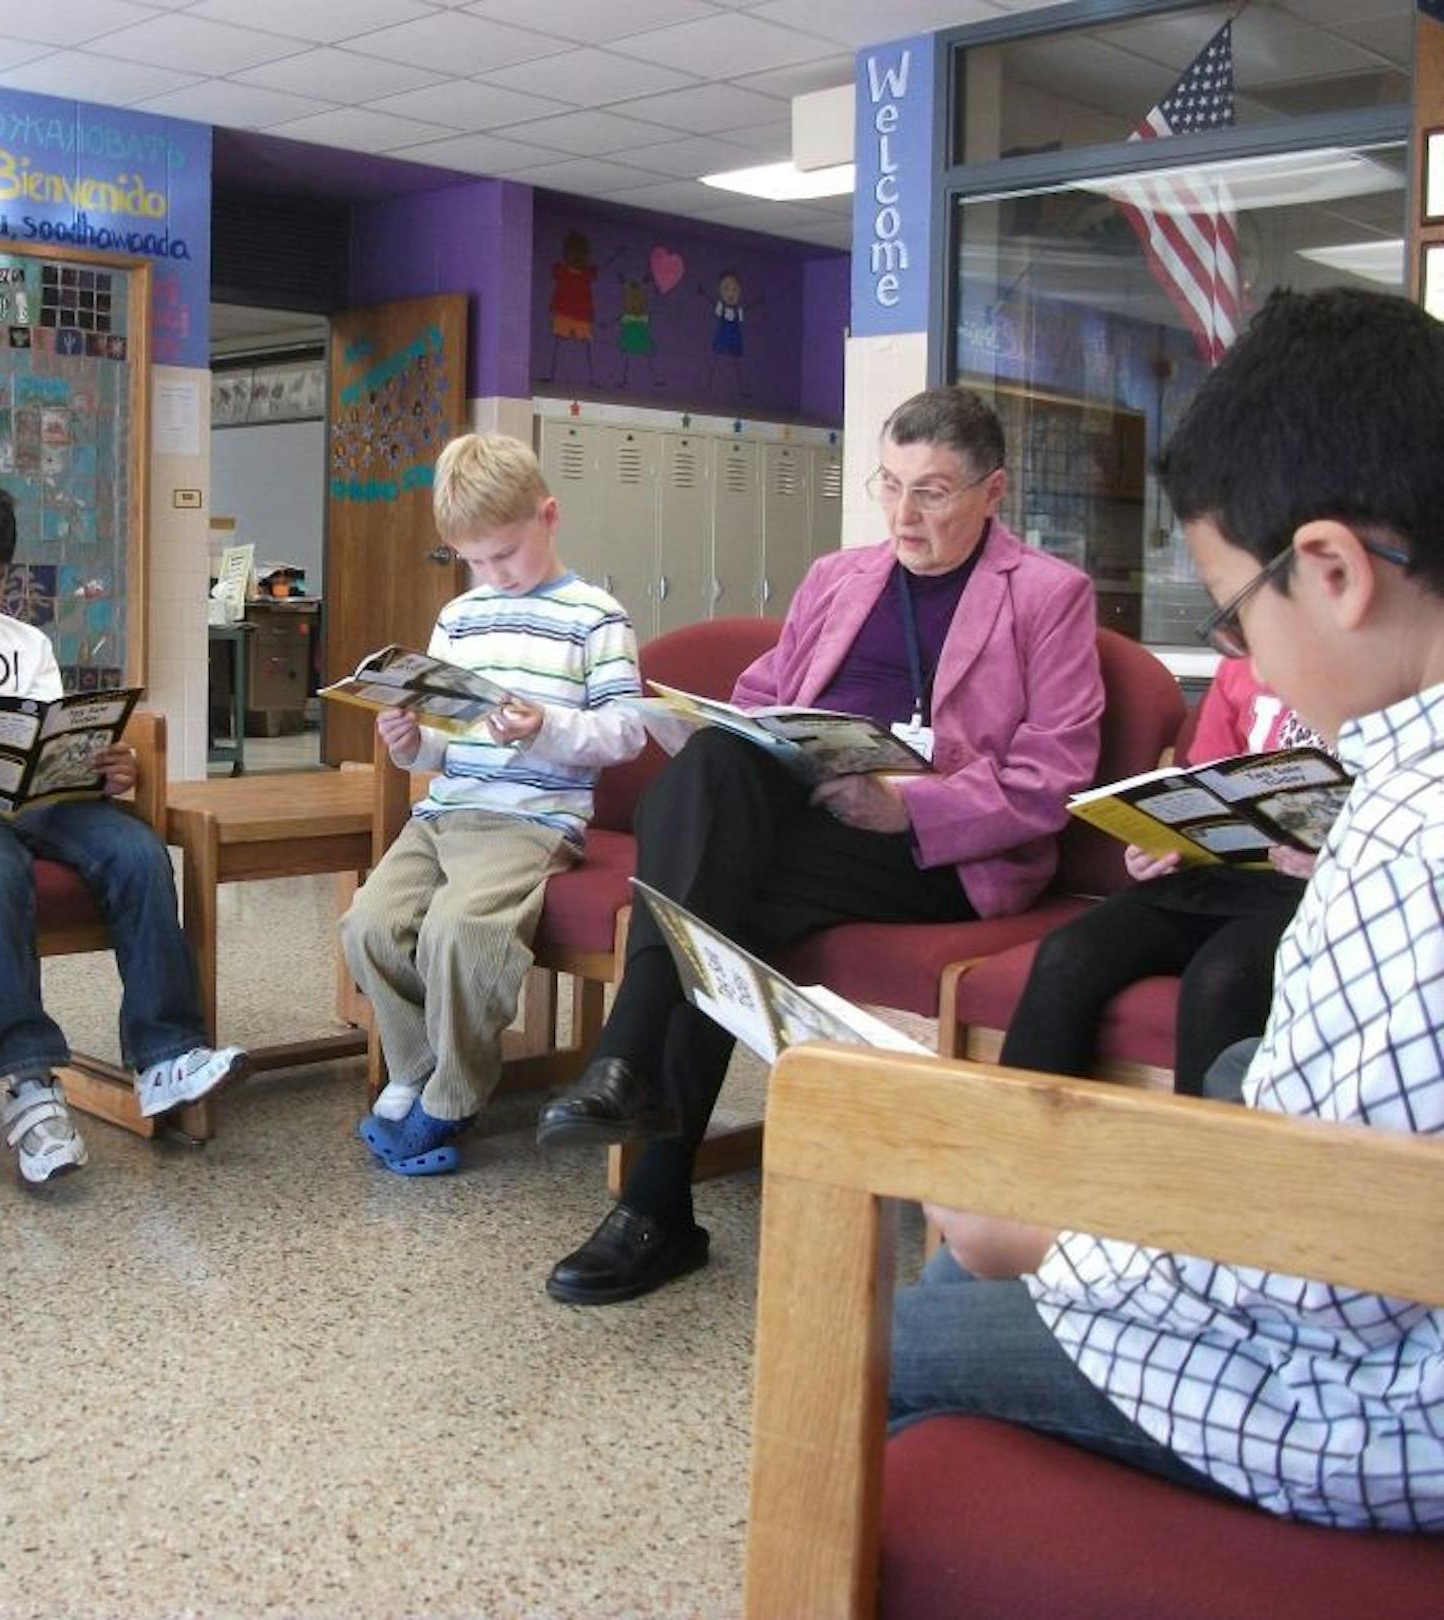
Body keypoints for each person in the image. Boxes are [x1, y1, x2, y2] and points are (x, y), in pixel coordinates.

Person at [893, 286, 1444, 1531]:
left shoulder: (1408, 832)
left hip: (1377, 1406)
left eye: (1234, 614)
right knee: (1241, 1053)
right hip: (1370, 1290)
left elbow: (1341, 1266)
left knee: (922, 1326)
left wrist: (1045, 1239)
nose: (1242, 650)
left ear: (1336, 571)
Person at [534, 385, 1104, 1303]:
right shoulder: (840, 578)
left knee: (724, 888)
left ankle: (645, 1148)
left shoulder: (1048, 595)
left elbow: (1057, 777)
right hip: (811, 817)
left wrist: (910, 809)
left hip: (939, 854)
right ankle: (649, 1167)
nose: (904, 515)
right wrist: (718, 728)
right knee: (717, 770)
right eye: (891, 485)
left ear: (993, 492)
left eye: (935, 492)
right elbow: (761, 700)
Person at [0, 469, 245, 1184]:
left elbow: (52, 736)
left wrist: (104, 768)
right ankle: (29, 1081)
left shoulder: (25, 643)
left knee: (135, 848)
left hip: (37, 799)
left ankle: (164, 1053)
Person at [340, 433, 645, 1175]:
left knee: (458, 932)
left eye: (505, 553)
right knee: (366, 926)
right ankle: (417, 1066)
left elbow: (627, 732)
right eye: (474, 561)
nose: (492, 574)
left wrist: (547, 728)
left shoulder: (595, 618)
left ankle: (455, 1094)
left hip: (532, 818)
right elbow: (442, 743)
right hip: (447, 809)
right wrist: (408, 740)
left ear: (549, 516)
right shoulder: (461, 618)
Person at [999, 656, 1321, 1098]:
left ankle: (1198, 1161)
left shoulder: (1394, 670)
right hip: (1222, 873)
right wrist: (1158, 841)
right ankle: (1021, 1145)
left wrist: (1340, 858)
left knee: (1223, 977)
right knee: (1067, 952)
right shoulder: (1240, 668)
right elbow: (1203, 783)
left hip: (1316, 891)